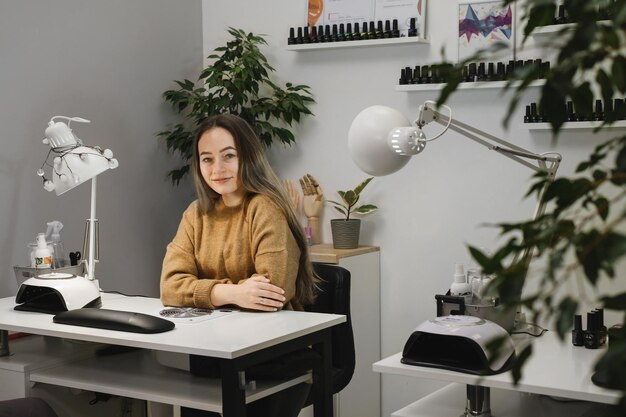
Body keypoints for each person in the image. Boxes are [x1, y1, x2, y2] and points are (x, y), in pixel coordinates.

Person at [160, 114, 319, 417]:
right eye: (207, 159)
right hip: (216, 348)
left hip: (271, 353)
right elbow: (170, 286)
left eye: (228, 156)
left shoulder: (265, 207)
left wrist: (209, 290)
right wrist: (232, 293)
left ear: (248, 156)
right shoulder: (196, 214)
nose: (217, 169)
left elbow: (272, 292)